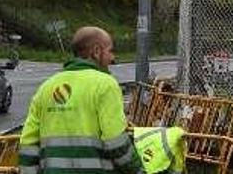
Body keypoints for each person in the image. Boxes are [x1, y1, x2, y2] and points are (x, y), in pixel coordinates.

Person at [18, 26, 142, 174]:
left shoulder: (46, 87)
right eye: (110, 51)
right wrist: (138, 169)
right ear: (96, 52)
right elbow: (115, 141)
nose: (112, 58)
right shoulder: (105, 84)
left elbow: (28, 144)